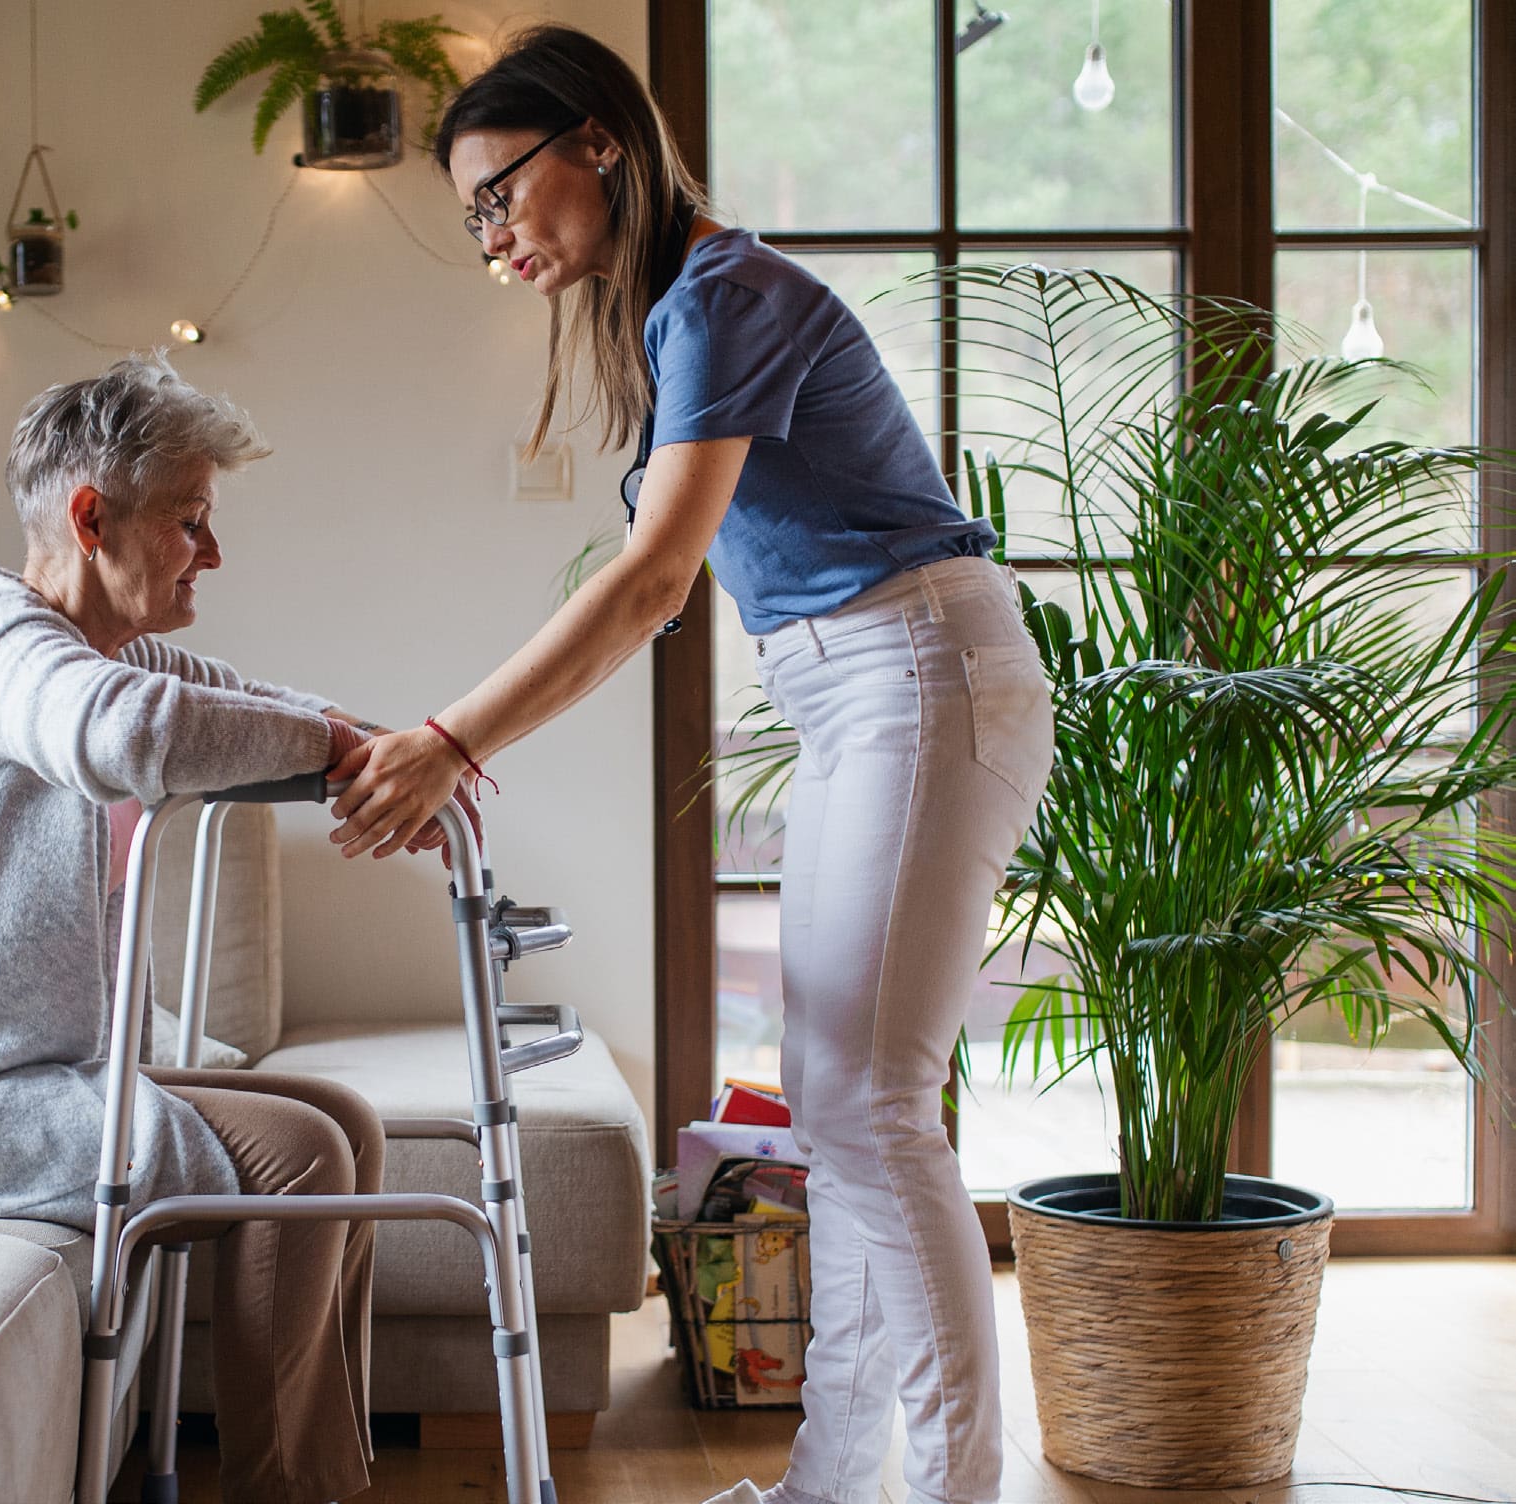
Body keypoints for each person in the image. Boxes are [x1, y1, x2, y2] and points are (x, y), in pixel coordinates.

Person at [326, 26, 1054, 1504]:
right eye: (469, 218)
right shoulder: (679, 311)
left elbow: (654, 579)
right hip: (867, 683)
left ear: (597, 139)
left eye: (497, 196)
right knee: (838, 1106)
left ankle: (953, 1488)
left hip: (920, 671)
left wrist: (455, 734)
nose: (491, 239)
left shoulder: (723, 294)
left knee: (872, 1113)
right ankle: (834, 1487)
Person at [0, 351, 411, 1504]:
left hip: (5, 1076)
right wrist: (338, 750)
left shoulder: (94, 645)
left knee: (343, 1122)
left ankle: (325, 1480)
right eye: (191, 521)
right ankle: (290, 1493)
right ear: (91, 514)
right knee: (302, 1161)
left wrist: (393, 751)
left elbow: (246, 705)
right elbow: (132, 737)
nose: (214, 553)